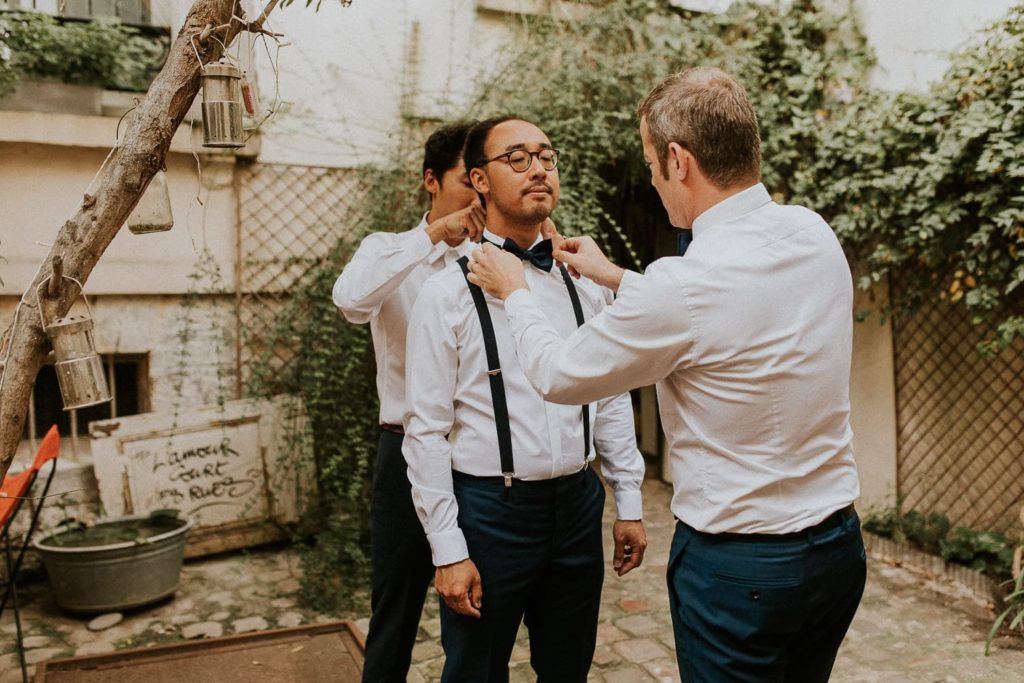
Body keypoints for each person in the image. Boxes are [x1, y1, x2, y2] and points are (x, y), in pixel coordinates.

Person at [466, 68, 866, 682]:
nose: (653, 179)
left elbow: (557, 374)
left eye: (652, 164)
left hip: (740, 573)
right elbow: (727, 311)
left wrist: (516, 290)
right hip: (838, 552)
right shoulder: (811, 232)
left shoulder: (686, 286)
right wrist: (614, 275)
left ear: (679, 160)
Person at [402, 116, 648, 682]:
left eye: (547, 156)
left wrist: (627, 500)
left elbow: (610, 393)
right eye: (517, 158)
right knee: (475, 672)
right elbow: (426, 429)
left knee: (568, 670)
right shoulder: (445, 292)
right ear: (480, 180)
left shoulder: (585, 279)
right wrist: (447, 548)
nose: (538, 168)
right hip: (491, 513)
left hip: (579, 505)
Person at [332, 120, 485, 683]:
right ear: (431, 181)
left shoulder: (498, 261)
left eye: (483, 178)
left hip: (478, 458)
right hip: (404, 454)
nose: (479, 192)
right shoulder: (388, 250)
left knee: (476, 614)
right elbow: (350, 300)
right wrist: (431, 239)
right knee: (394, 608)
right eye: (467, 179)